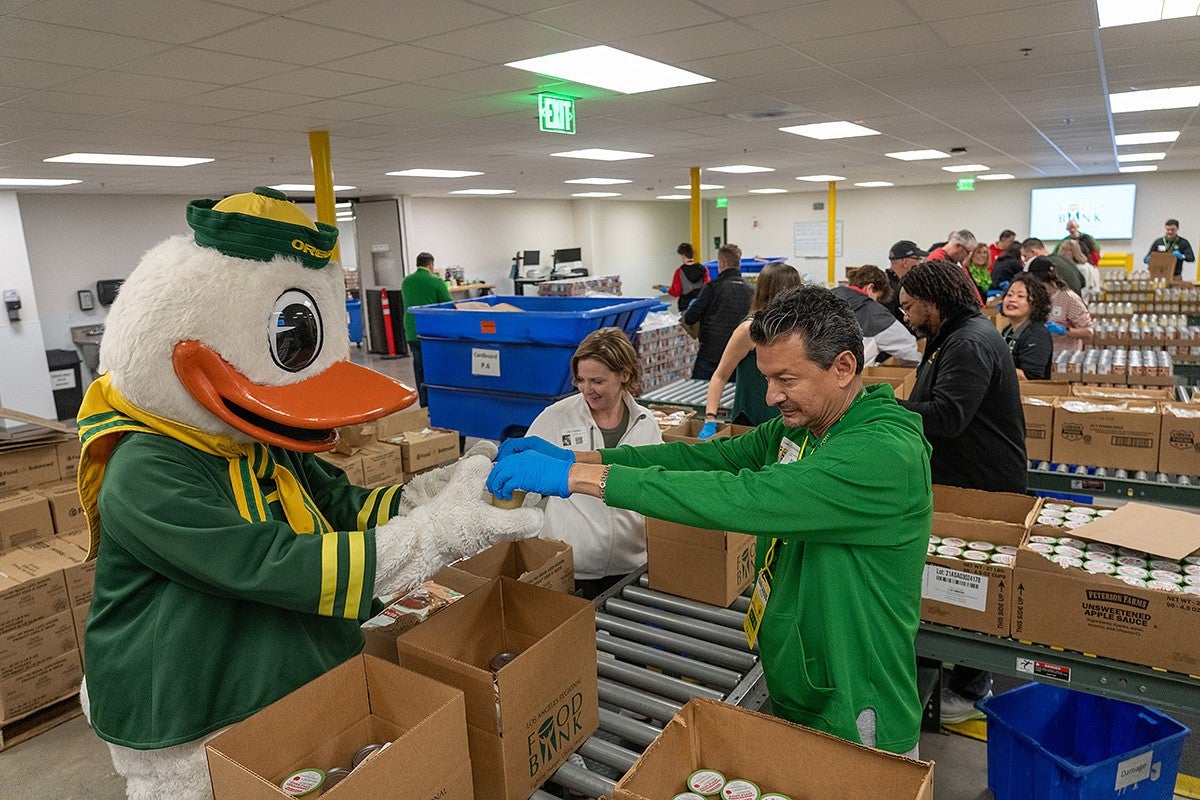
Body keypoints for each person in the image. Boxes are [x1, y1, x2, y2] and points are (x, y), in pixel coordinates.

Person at [489, 286, 932, 757]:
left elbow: (743, 496)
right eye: (765, 378)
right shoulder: (805, 428)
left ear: (844, 368)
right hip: (801, 678)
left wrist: (577, 477)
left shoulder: (883, 454)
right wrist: (579, 454)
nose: (771, 396)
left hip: (854, 702)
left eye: (786, 379)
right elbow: (708, 461)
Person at [897, 259, 1026, 724]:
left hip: (984, 483)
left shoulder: (970, 342)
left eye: (911, 307)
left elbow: (949, 416)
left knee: (978, 583)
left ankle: (972, 688)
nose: (907, 317)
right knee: (954, 581)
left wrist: (888, 412)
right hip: (962, 476)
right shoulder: (951, 336)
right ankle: (948, 673)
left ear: (935, 301)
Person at [525, 328, 663, 599]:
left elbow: (656, 485)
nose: (587, 390)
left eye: (598, 381)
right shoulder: (556, 418)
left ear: (624, 375)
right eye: (581, 380)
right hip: (574, 564)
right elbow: (525, 479)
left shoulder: (645, 421)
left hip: (631, 563)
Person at [697, 262, 803, 437]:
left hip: (787, 419)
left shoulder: (796, 328)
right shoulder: (749, 330)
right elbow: (721, 375)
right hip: (751, 422)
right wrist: (710, 418)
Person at [684, 243, 753, 380]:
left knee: (700, 393)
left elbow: (690, 318)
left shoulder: (712, 288)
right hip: (739, 357)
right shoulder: (751, 291)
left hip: (711, 357)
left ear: (721, 263)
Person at [832, 265, 921, 366]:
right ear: (870, 288)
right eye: (877, 298)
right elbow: (909, 352)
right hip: (849, 377)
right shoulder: (875, 314)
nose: (875, 303)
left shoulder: (825, 296)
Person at [402, 251, 452, 407]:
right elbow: (448, 305)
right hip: (430, 332)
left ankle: (424, 404)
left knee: (419, 367)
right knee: (435, 368)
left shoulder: (406, 281)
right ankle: (438, 403)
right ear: (431, 264)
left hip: (411, 329)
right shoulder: (436, 281)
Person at [1026, 256, 1092, 356]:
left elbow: (1088, 332)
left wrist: (1063, 330)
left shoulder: (1069, 298)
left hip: (1064, 356)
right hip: (1041, 354)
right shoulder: (1036, 297)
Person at [1000, 274, 1054, 380]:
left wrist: (990, 368)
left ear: (1035, 303)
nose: (1012, 299)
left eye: (1020, 296)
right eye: (1009, 295)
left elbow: (1030, 377)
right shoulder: (1007, 330)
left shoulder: (1037, 335)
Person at [927, 230, 982, 304]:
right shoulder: (936, 259)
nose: (968, 256)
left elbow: (970, 284)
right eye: (967, 252)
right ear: (958, 246)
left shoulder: (956, 261)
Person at [656, 242, 710, 312]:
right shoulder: (704, 269)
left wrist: (667, 290)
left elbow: (676, 292)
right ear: (693, 255)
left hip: (685, 305)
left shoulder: (679, 271)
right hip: (701, 305)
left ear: (683, 256)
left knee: (686, 322)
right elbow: (708, 287)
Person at [885, 240, 927, 324]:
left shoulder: (884, 283)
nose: (919, 263)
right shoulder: (897, 290)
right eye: (917, 259)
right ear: (905, 262)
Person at [1057, 238, 1101, 303]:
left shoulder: (1083, 268)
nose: (1063, 252)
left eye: (1068, 250)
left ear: (1075, 251)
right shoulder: (1060, 266)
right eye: (1062, 249)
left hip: (1080, 301)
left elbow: (1085, 288)